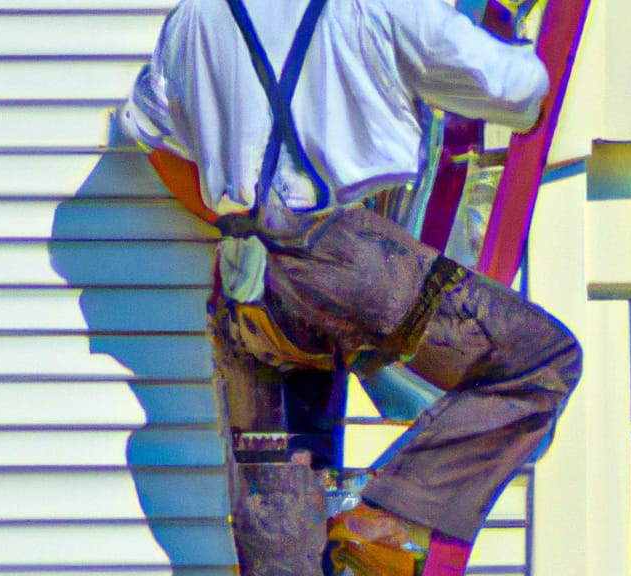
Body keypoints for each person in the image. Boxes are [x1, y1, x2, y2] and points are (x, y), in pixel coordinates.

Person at [120, 0, 582, 574]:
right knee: (539, 360)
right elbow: (519, 91)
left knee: (281, 533)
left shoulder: (198, 15)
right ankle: (384, 522)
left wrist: (254, 230)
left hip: (247, 279)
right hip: (348, 252)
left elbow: (154, 138)